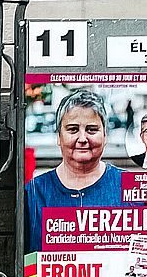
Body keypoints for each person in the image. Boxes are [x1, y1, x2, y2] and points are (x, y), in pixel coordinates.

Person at [24, 87, 131, 254]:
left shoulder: (132, 189)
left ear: (105, 136)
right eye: (73, 129)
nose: (82, 139)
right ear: (59, 137)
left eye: (92, 130)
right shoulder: (33, 193)